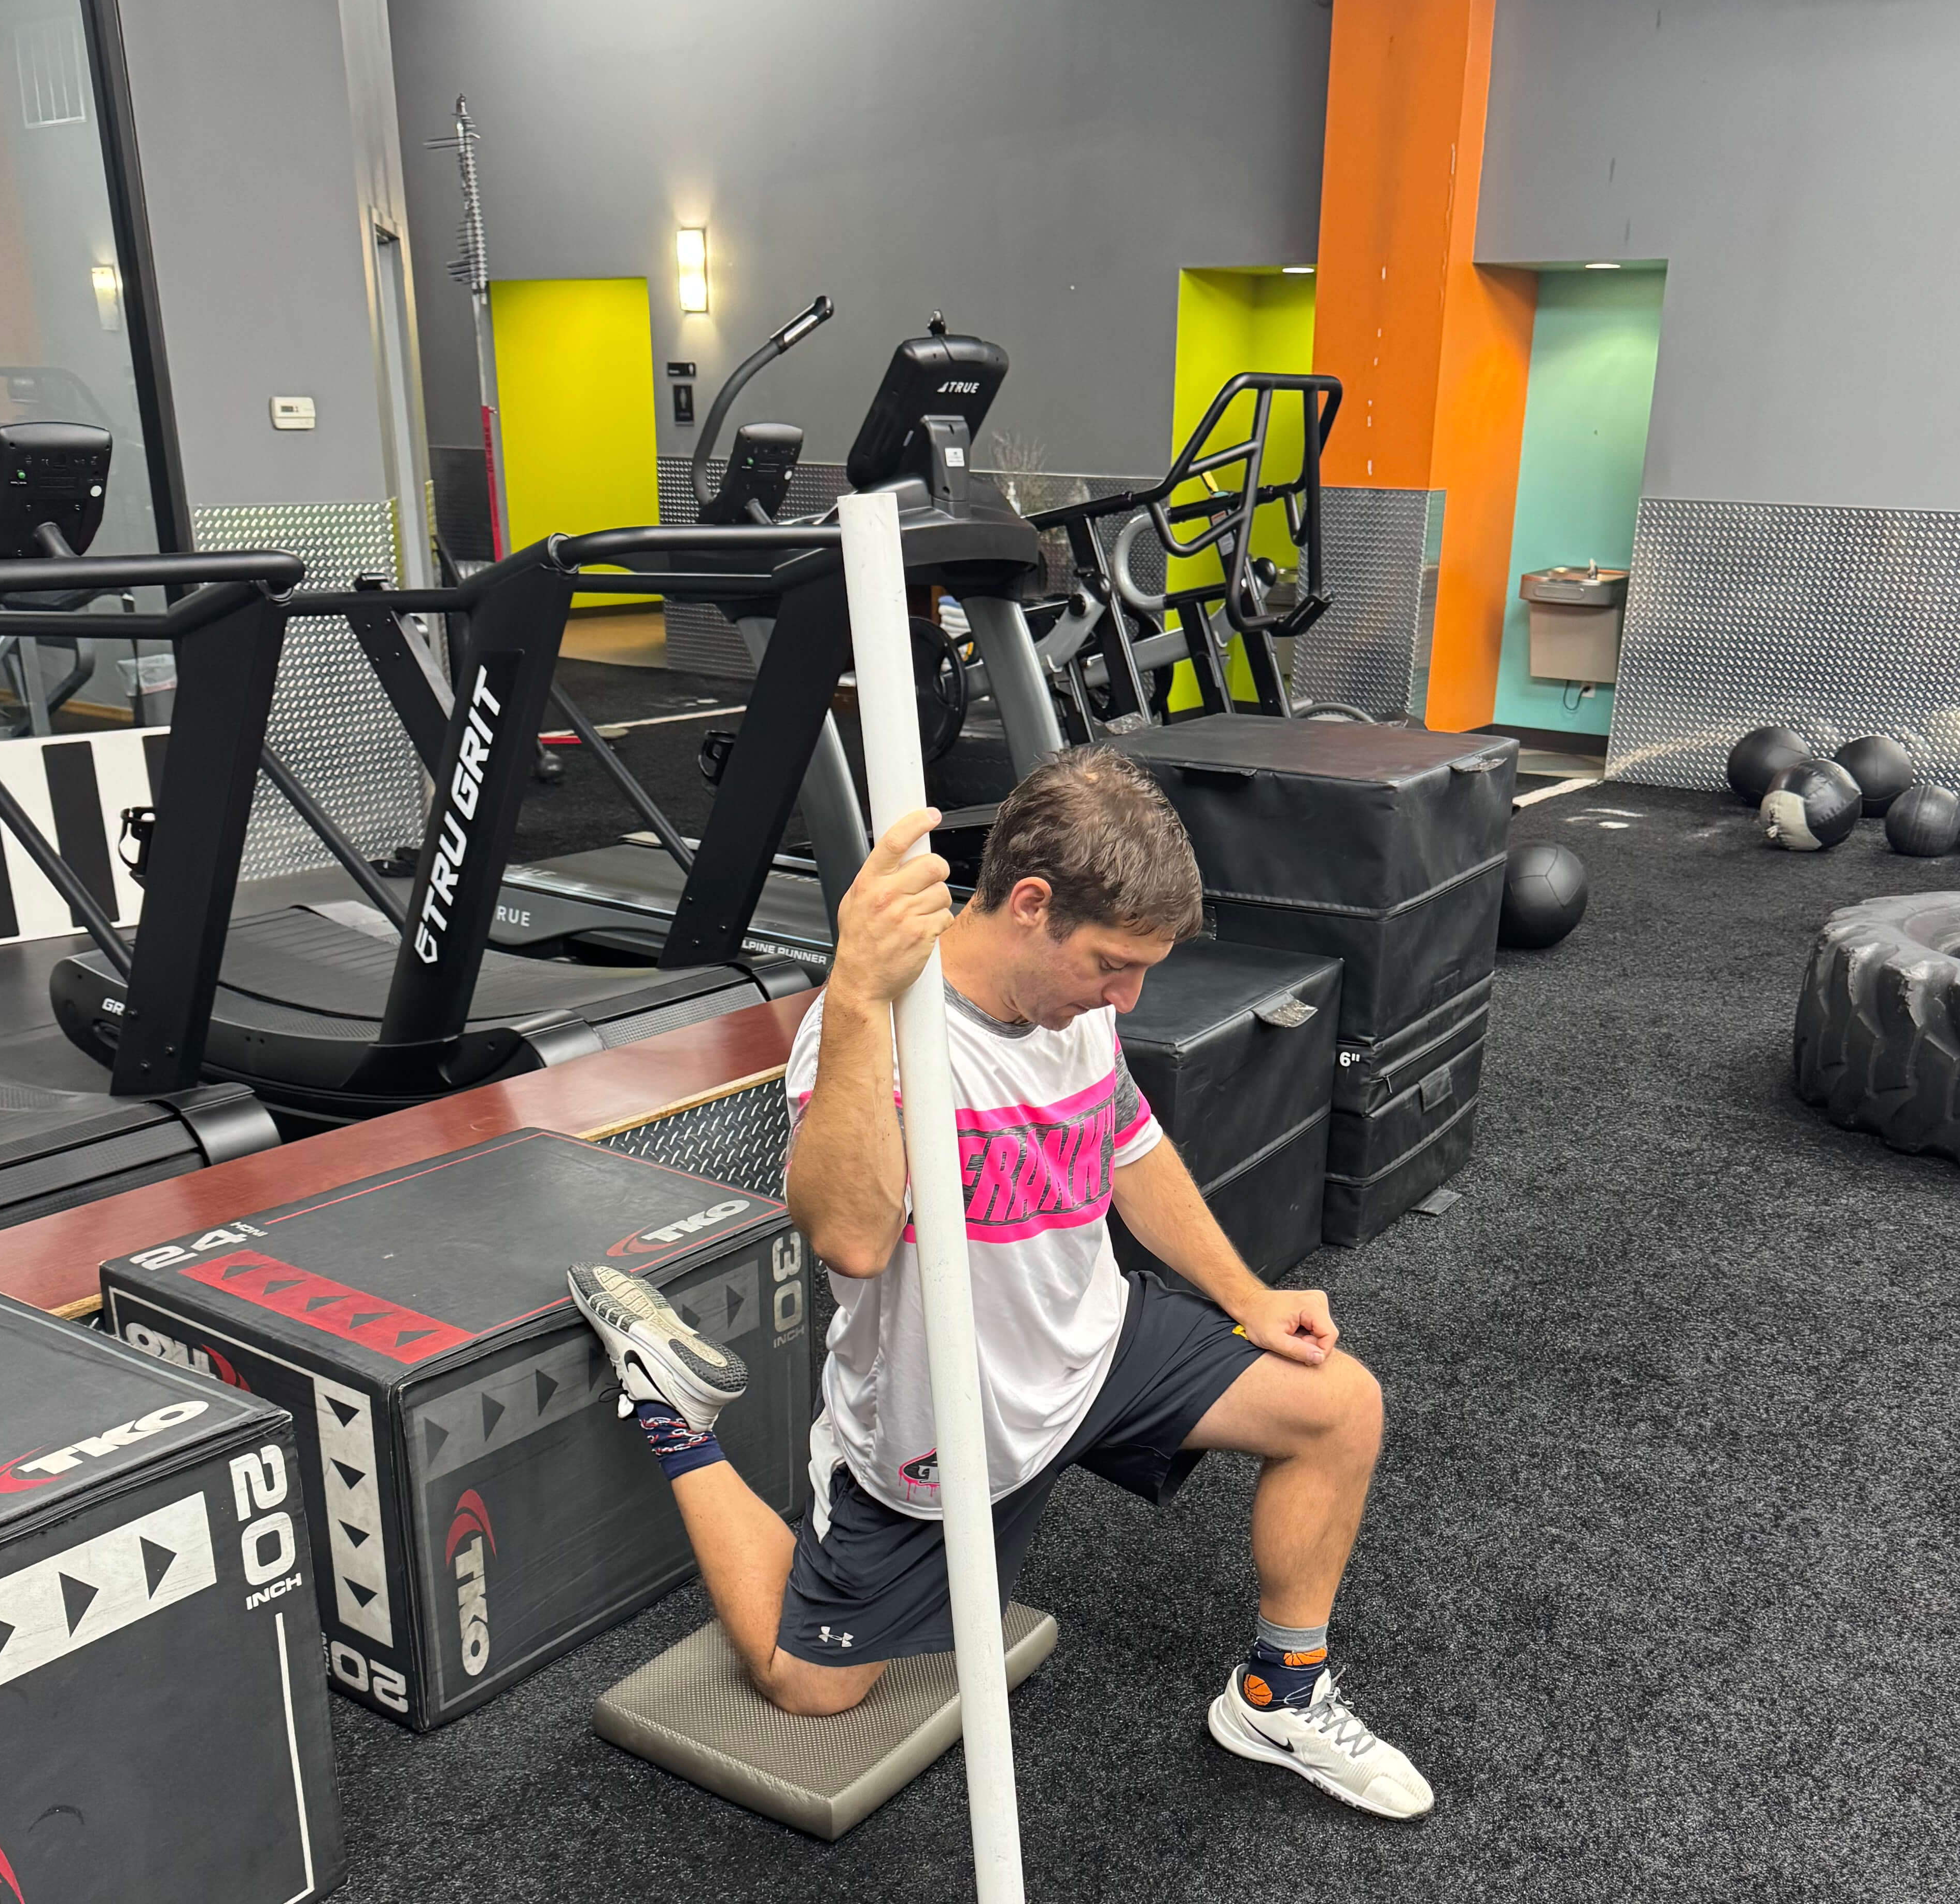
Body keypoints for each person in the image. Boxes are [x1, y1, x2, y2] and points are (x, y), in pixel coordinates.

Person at [570, 745, 1430, 1819]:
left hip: (1096, 1348)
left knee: (1339, 1406)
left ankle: (1279, 1699)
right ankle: (672, 1411)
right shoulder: (878, 1029)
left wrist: (1247, 1297)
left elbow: (1129, 1146)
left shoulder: (1078, 1006)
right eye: (1114, 966)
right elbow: (850, 1241)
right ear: (1031, 906)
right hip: (944, 1417)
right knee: (812, 1686)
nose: (1130, 996)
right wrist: (856, 998)